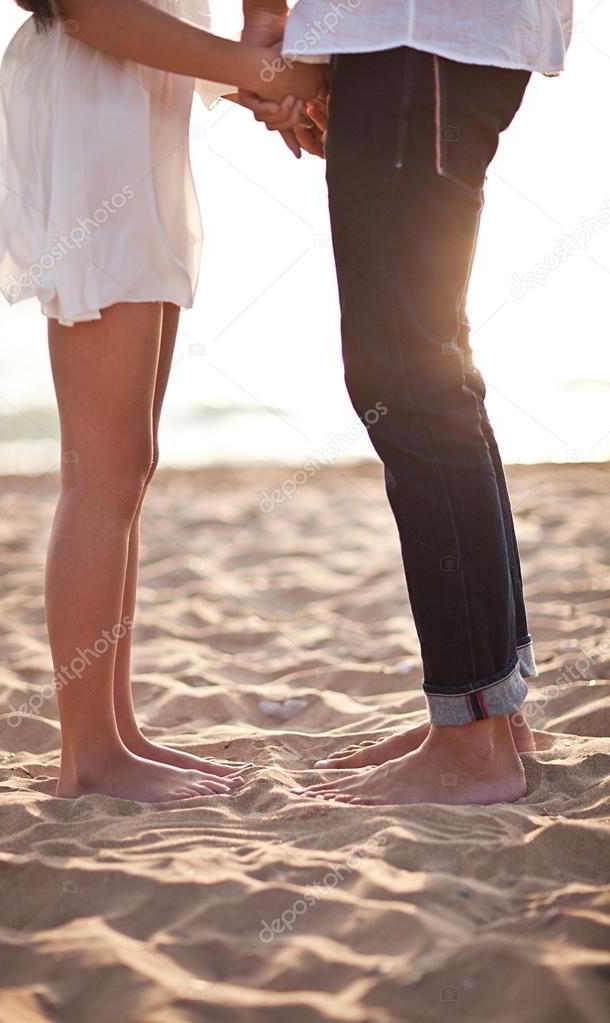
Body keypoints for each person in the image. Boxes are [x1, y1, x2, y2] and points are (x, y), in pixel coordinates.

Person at [240, 0, 573, 805]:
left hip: (411, 31)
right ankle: (491, 710)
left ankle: (470, 743)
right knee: (434, 363)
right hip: (423, 36)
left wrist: (270, 25)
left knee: (406, 376)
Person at [0, 0, 327, 802]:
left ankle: (115, 730)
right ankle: (90, 756)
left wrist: (264, 38)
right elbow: (88, 10)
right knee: (100, 472)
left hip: (137, 111)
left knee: (131, 463)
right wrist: (267, 72)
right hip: (95, 120)